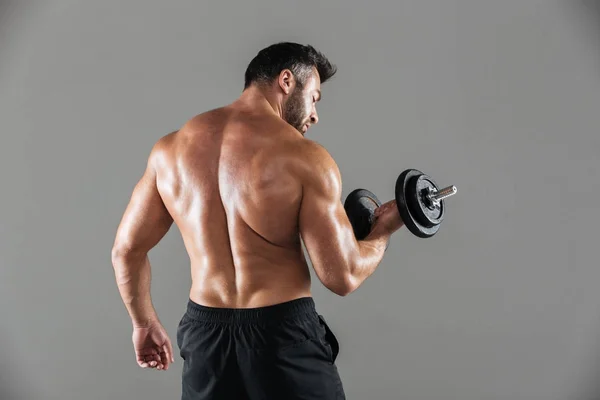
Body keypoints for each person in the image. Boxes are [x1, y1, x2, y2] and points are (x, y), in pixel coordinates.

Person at [111, 42, 404, 400]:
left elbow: (126, 250)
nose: (314, 115)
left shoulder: (169, 150)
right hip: (282, 334)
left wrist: (143, 323)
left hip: (206, 339)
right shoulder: (306, 158)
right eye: (314, 98)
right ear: (286, 81)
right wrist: (384, 231)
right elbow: (342, 276)